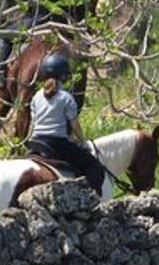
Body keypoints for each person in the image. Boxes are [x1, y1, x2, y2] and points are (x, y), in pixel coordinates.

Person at [26, 53, 105, 191]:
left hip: (36, 142)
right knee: (93, 165)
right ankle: (92, 200)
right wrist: (83, 141)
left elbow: (33, 124)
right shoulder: (66, 97)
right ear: (64, 75)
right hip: (57, 144)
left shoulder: (36, 97)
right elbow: (74, 125)